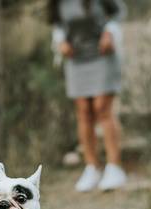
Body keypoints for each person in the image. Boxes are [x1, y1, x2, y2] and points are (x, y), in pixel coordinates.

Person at [49, 0, 127, 192]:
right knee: (84, 112)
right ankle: (92, 168)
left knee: (102, 108)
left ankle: (114, 166)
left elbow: (119, 12)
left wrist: (109, 33)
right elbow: (57, 23)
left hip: (103, 54)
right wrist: (61, 41)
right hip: (76, 58)